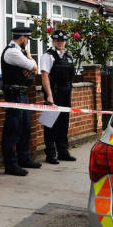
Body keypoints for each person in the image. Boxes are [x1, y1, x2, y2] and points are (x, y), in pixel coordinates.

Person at [0, 25, 40, 176]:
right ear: (22, 38)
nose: (28, 41)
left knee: (25, 128)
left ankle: (24, 158)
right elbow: (34, 66)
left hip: (22, 94)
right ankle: (10, 165)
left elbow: (33, 68)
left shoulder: (19, 51)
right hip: (14, 94)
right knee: (13, 130)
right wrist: (30, 60)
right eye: (28, 39)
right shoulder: (12, 52)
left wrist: (30, 61)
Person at [39, 29, 76, 164]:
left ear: (65, 41)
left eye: (62, 41)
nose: (60, 43)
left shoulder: (68, 56)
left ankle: (63, 152)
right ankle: (50, 154)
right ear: (53, 41)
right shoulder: (48, 56)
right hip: (53, 94)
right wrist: (49, 95)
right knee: (50, 125)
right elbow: (44, 76)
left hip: (66, 94)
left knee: (63, 124)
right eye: (57, 41)